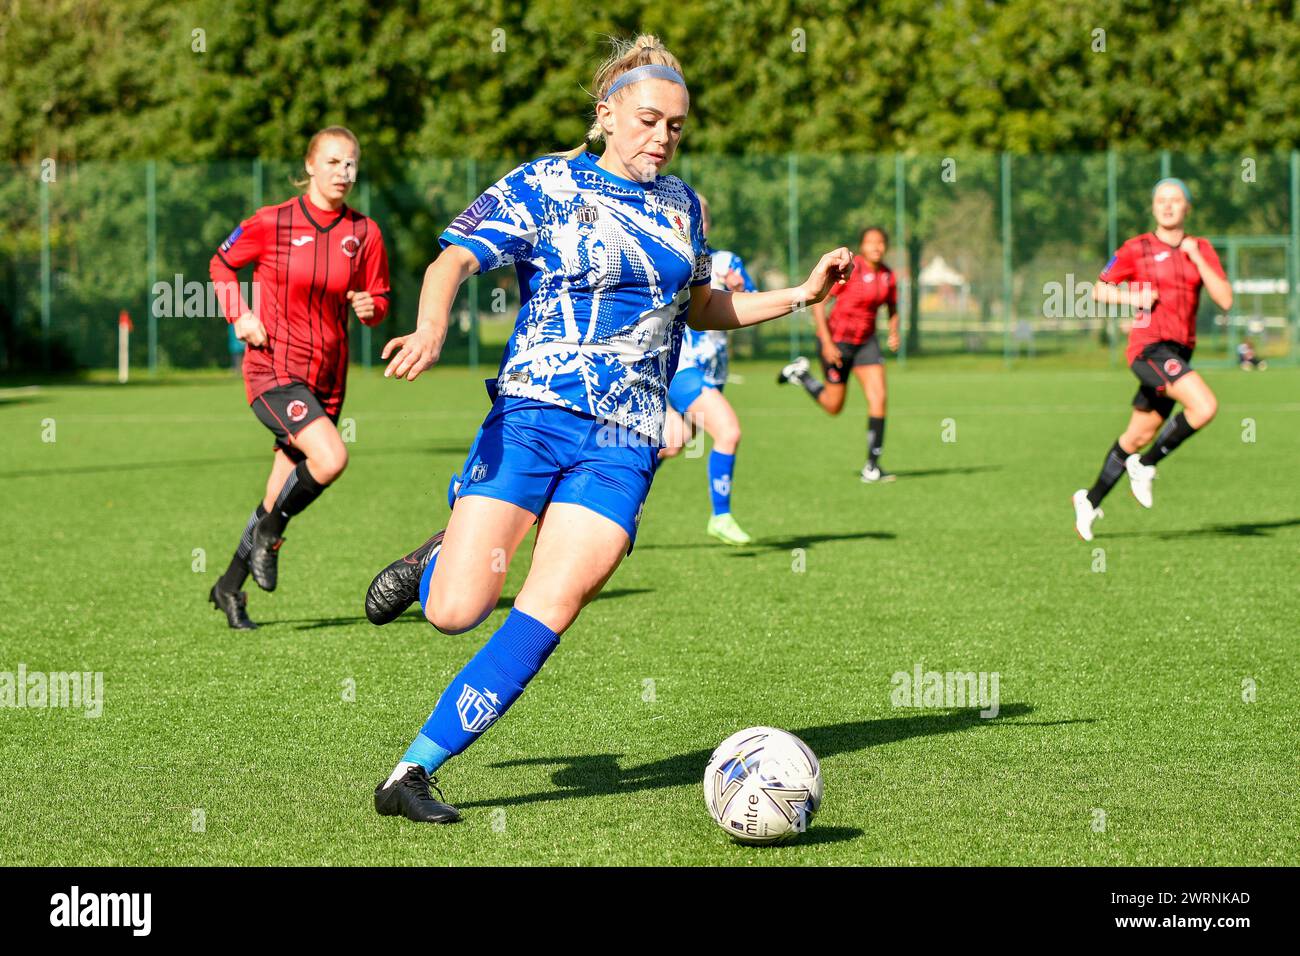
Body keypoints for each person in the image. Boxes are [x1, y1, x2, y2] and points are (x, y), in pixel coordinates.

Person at [361, 34, 853, 824]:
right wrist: (428, 330)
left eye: (677, 127)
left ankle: (410, 773)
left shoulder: (684, 205)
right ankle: (436, 558)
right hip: (533, 415)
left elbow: (702, 307)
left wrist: (800, 293)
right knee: (455, 610)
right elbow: (450, 261)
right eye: (649, 120)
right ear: (606, 115)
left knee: (551, 604)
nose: (662, 137)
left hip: (625, 440)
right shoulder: (546, 182)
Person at [208, 126, 391, 628]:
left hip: (328, 378)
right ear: (310, 166)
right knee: (331, 458)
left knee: (278, 487)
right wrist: (239, 315)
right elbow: (221, 265)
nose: (343, 173)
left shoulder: (365, 233)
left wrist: (371, 307)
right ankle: (272, 532)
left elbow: (379, 303)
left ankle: (227, 587)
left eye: (351, 163)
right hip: (273, 369)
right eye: (332, 162)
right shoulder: (273, 222)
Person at [1072, 178, 1232, 540]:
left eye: (1176, 200)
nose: (1168, 206)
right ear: (1153, 206)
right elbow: (1099, 289)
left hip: (1178, 353)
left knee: (1139, 433)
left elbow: (1225, 299)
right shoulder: (1136, 248)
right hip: (1149, 348)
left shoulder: (1201, 248)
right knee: (1204, 407)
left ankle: (1090, 499)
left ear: (1187, 207)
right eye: (1161, 200)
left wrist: (1195, 257)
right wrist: (1133, 298)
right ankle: (1145, 466)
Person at [658, 193, 757, 546]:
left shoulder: (728, 262)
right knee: (728, 432)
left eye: (700, 216)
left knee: (672, 444)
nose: (695, 221)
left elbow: (753, 305)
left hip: (714, 373)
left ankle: (604, 494)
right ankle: (721, 516)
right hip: (683, 369)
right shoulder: (669, 261)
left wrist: (741, 289)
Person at [776, 226, 901, 482]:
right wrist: (827, 342)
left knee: (879, 398)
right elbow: (819, 304)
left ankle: (872, 466)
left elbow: (893, 307)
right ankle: (801, 375)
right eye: (870, 242)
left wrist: (894, 331)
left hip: (866, 344)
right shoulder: (852, 272)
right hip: (837, 342)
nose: (876, 247)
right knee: (834, 406)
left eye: (881, 243)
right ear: (862, 246)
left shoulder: (888, 276)